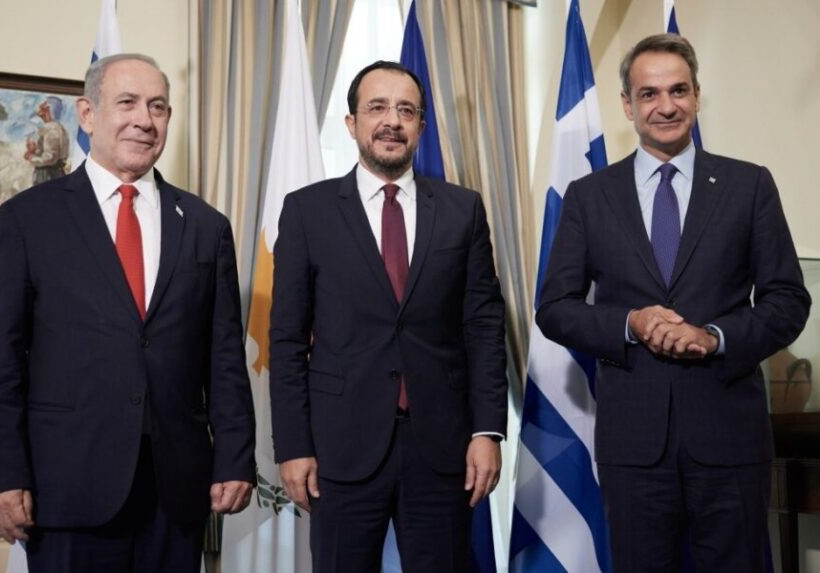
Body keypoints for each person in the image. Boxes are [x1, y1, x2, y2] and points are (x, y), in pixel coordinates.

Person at [0, 53, 257, 573]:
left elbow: (224, 359)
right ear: (87, 114)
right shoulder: (28, 220)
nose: (144, 120)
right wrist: (1, 476)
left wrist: (236, 457)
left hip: (176, 493)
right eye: (127, 103)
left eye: (158, 107)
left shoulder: (205, 226)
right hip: (65, 490)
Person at [536, 34, 811, 571]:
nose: (666, 106)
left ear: (697, 95)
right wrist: (630, 323)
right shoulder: (590, 197)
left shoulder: (749, 185)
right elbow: (556, 308)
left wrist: (715, 337)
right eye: (649, 94)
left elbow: (787, 300)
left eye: (678, 90)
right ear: (627, 105)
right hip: (633, 445)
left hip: (729, 439)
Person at [269, 60, 507, 572]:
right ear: (351, 122)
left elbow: (484, 328)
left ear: (421, 126)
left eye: (406, 110)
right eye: (377, 107)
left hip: (442, 448)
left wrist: (487, 431)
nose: (391, 121)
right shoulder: (307, 211)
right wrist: (292, 445)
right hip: (339, 448)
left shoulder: (463, 210)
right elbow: (286, 339)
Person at [24, 96, 70, 184]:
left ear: (48, 110)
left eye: (44, 105)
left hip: (47, 176)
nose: (40, 107)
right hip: (54, 174)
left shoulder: (50, 128)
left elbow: (50, 158)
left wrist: (32, 158)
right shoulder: (58, 128)